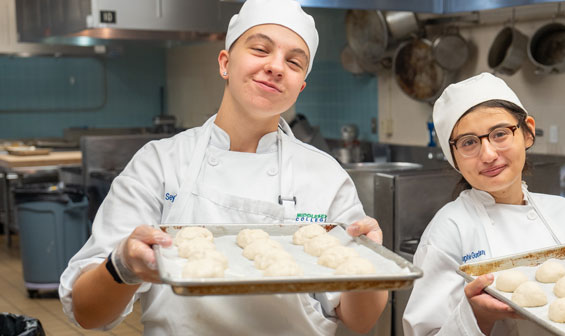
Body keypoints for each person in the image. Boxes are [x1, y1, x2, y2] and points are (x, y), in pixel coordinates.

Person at [58, 1, 387, 334]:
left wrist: (368, 264)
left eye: (294, 62)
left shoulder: (325, 177)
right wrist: (123, 267)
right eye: (260, 49)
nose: (275, 67)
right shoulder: (160, 164)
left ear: (300, 86)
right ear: (225, 63)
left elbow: (360, 320)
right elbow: (86, 312)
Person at [402, 73, 565, 335]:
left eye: (500, 134)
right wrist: (477, 316)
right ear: (454, 157)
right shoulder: (449, 231)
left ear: (527, 132)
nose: (489, 155)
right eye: (468, 142)